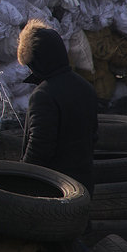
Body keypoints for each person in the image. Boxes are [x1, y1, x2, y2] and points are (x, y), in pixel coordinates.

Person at [18, 19, 99, 194]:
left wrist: (21, 180)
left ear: (37, 61)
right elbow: (93, 136)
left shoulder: (43, 95)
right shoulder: (86, 87)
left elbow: (39, 148)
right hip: (83, 185)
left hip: (53, 189)